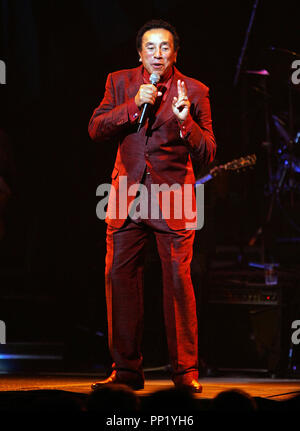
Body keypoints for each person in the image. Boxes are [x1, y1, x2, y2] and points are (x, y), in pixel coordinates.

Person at [88, 19, 216, 393]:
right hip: (127, 195)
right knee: (119, 279)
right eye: (150, 48)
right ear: (139, 53)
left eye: (164, 48)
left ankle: (185, 373)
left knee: (177, 280)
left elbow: (208, 151)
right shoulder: (120, 82)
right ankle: (126, 370)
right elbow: (95, 128)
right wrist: (133, 105)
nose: (157, 55)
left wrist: (185, 121)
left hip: (172, 198)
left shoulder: (195, 90)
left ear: (175, 53)